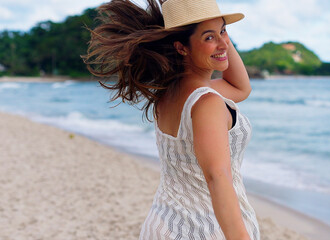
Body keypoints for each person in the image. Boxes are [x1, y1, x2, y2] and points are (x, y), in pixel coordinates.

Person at [82, 0, 260, 239]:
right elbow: (217, 177)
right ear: (181, 47)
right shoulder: (207, 102)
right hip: (200, 228)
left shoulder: (167, 92)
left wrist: (219, 36)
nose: (223, 43)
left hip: (163, 221)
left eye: (223, 31)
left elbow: (240, 87)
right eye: (209, 37)